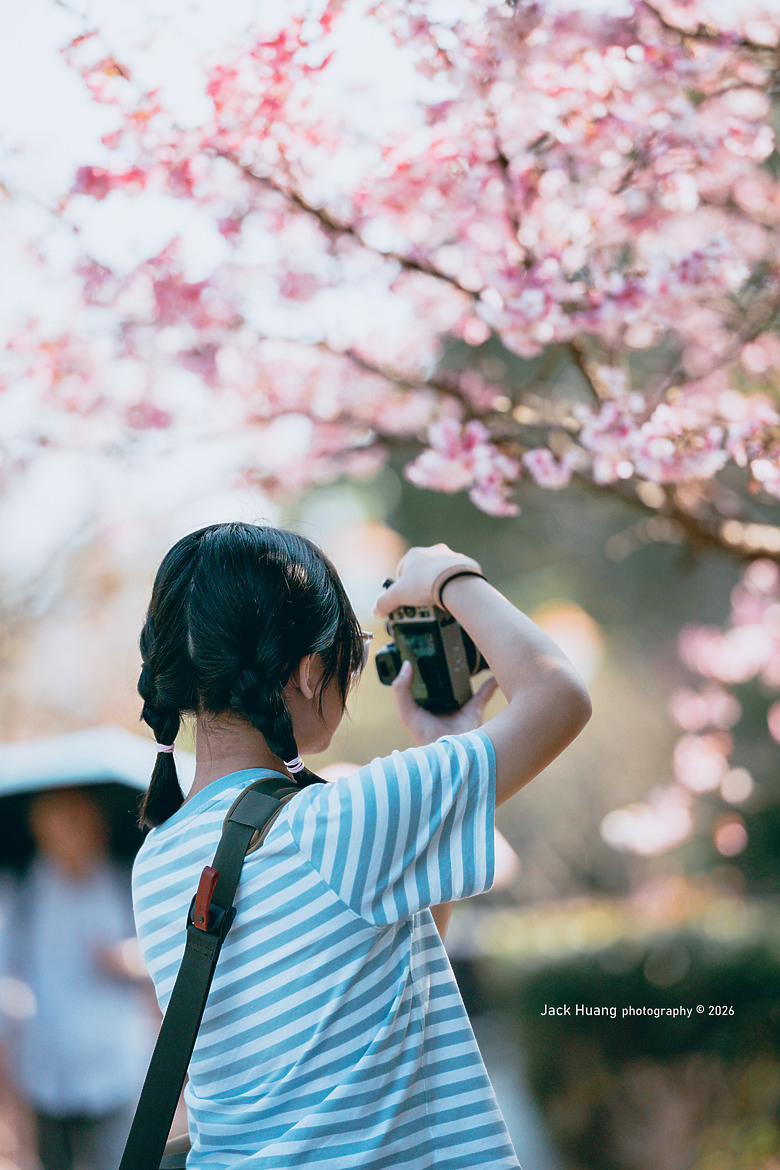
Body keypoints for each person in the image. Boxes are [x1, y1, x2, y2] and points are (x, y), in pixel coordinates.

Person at [131, 522, 591, 1168]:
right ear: (311, 671)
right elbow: (560, 698)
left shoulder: (155, 861)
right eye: (354, 652)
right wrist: (450, 576)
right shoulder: (340, 822)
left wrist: (441, 748)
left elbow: (387, 969)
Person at [1, 788, 154, 1170]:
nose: (74, 830)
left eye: (82, 818)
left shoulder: (129, 884)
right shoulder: (20, 894)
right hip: (45, 1075)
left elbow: (167, 961)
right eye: (62, 819)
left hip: (118, 1071)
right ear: (40, 827)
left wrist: (129, 960)